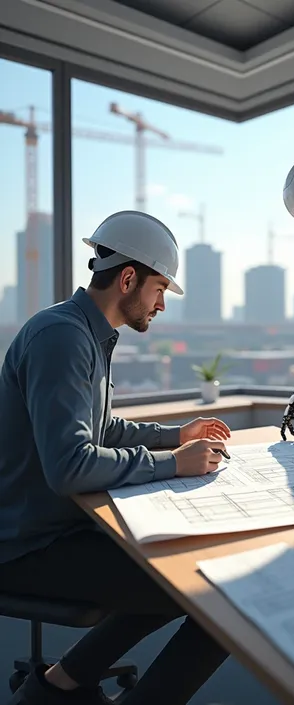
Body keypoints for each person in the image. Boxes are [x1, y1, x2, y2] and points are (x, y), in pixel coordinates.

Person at [0, 211, 231, 705]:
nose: (162, 304)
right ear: (128, 278)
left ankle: (59, 685)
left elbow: (100, 430)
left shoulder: (84, 333)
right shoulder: (62, 337)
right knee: (219, 597)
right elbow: (71, 467)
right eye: (159, 289)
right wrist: (175, 464)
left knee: (181, 567)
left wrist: (175, 436)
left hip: (55, 529)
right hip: (26, 547)